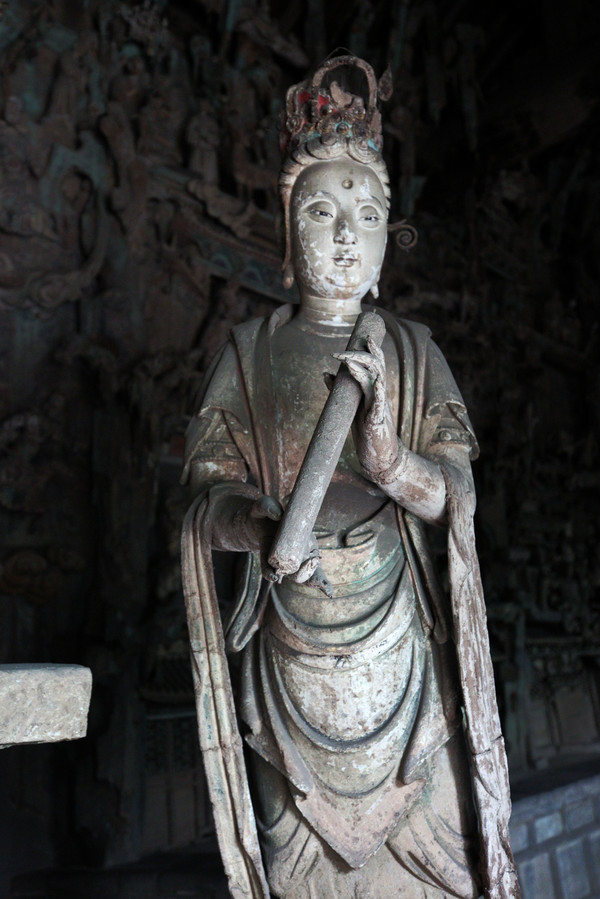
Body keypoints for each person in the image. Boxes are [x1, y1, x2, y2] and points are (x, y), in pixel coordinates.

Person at [181, 56, 520, 899]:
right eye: (321, 211)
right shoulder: (249, 356)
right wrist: (255, 523)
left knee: (443, 862)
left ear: (384, 247)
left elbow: (457, 495)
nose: (343, 233)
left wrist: (392, 461)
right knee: (306, 876)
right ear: (286, 235)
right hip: (289, 657)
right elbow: (204, 498)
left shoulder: (412, 351)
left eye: (366, 216)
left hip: (404, 651)